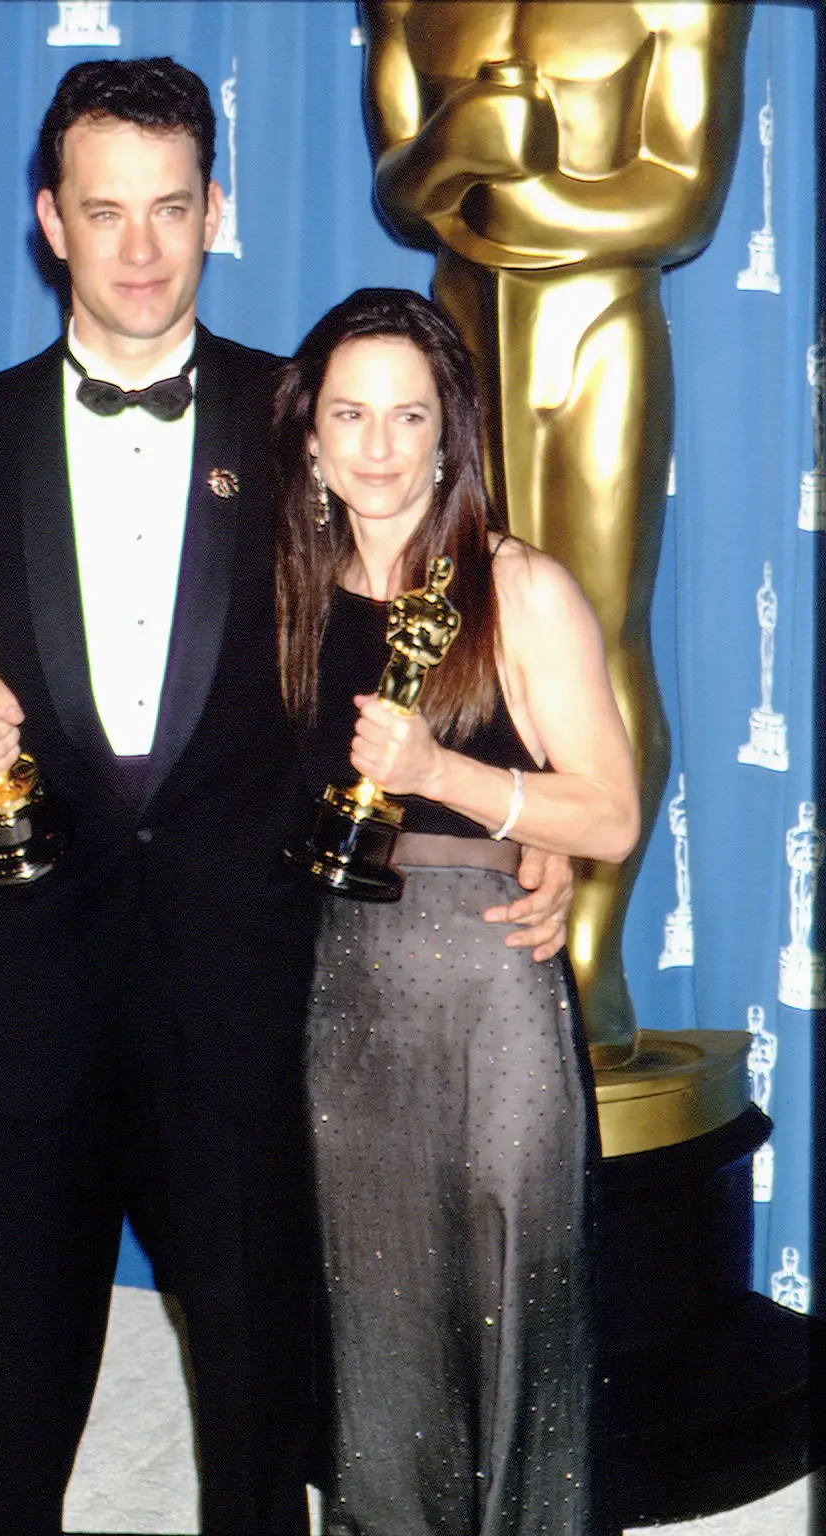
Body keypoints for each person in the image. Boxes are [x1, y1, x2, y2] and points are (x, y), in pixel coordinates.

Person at [0, 59, 572, 1536]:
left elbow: (406, 645)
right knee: (1, 1368)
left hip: (245, 977)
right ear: (48, 219)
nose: (138, 248)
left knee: (260, 1389)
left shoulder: (305, 424)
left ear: (215, 210)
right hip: (26, 968)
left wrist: (520, 819)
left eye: (170, 207)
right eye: (105, 210)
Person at [272, 288, 640, 1535]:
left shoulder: (515, 586)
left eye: (408, 415)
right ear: (309, 437)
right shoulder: (280, 594)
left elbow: (606, 813)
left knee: (514, 1300)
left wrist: (454, 784)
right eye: (350, 415)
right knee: (373, 1312)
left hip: (491, 998)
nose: (378, 446)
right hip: (339, 1003)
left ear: (451, 433)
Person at [359, 0, 752, 1063]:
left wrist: (502, 191)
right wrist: (454, 146)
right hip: (460, 335)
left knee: (598, 637)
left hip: (595, 332)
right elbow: (401, 190)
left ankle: (588, 951)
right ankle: (490, 926)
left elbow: (680, 195)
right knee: (464, 634)